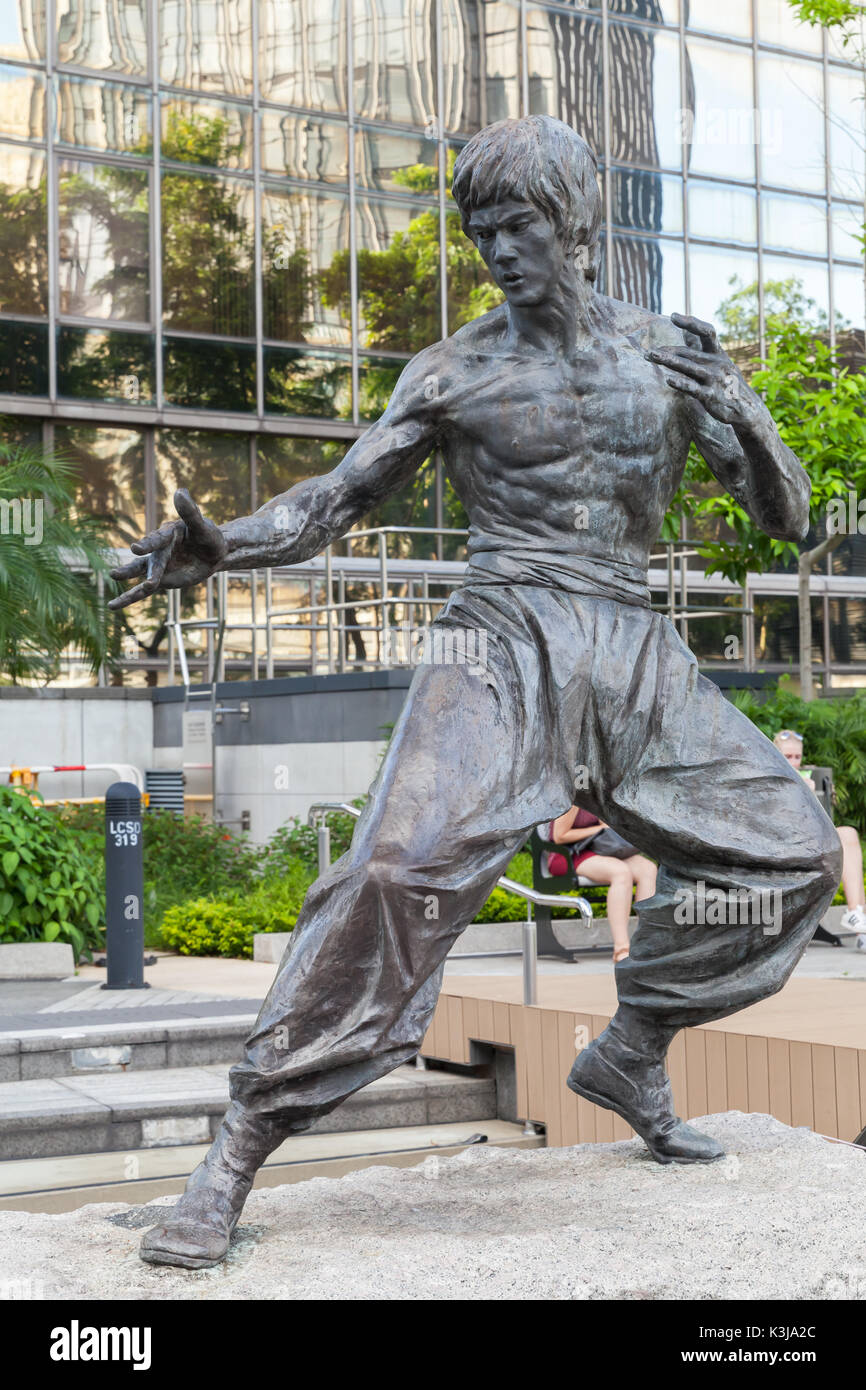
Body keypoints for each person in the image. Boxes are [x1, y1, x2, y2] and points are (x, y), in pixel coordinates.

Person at [108, 115, 842, 1269]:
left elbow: (790, 520)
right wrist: (226, 546)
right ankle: (234, 1152)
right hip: (499, 639)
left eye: (522, 226)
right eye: (482, 231)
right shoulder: (452, 370)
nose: (501, 250)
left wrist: (741, 401)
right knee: (394, 872)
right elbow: (332, 502)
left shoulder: (664, 352)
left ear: (577, 225)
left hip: (633, 644)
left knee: (794, 855)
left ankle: (632, 1044)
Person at [773, 730, 866, 945]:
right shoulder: (770, 778)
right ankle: (856, 918)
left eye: (797, 757)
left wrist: (811, 794)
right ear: (776, 754)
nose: (794, 762)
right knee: (846, 837)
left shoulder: (807, 781)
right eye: (788, 757)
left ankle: (857, 917)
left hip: (811, 844)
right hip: (784, 848)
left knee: (849, 836)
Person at [549, 806, 657, 962]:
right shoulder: (577, 797)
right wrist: (599, 829)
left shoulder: (599, 793)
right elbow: (560, 836)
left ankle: (645, 942)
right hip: (569, 853)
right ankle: (621, 948)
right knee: (621, 872)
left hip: (600, 848)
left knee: (648, 869)